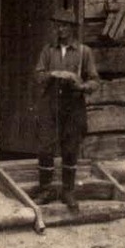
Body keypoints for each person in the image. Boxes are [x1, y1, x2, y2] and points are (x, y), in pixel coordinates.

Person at [33, 14, 99, 211]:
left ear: (72, 28)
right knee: (46, 146)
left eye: (63, 26)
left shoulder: (83, 52)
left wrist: (81, 86)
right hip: (50, 103)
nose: (59, 30)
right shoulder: (48, 50)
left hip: (73, 105)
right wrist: (53, 74)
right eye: (57, 26)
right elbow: (38, 75)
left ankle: (68, 191)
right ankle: (45, 190)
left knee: (70, 148)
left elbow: (94, 81)